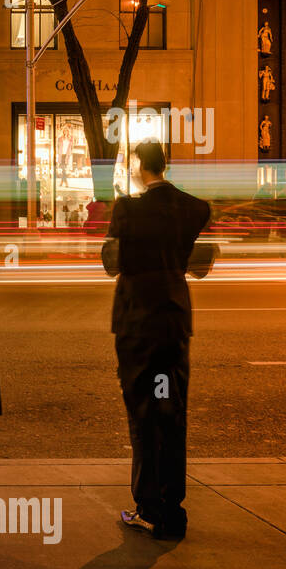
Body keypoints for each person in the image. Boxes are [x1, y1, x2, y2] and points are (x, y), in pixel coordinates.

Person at [103, 140, 212, 540]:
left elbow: (110, 263)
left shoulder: (128, 209)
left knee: (142, 414)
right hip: (174, 323)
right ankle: (172, 509)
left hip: (137, 325)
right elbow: (201, 262)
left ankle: (147, 506)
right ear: (164, 165)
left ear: (138, 166)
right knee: (171, 410)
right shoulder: (194, 207)